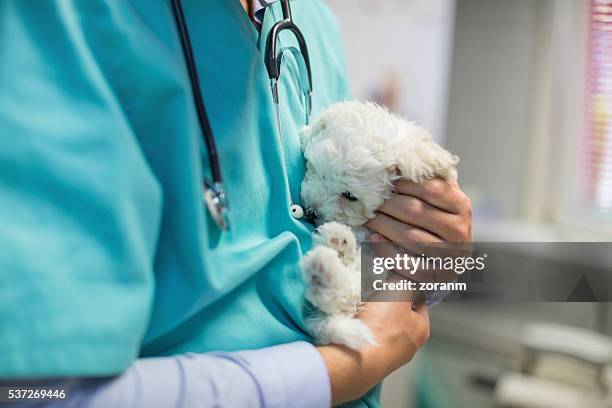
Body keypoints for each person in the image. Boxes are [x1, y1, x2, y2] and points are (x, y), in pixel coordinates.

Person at [0, 0, 471, 406]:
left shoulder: (309, 22)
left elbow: (324, 239)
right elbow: (38, 395)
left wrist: (423, 263)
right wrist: (345, 368)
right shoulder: (63, 20)